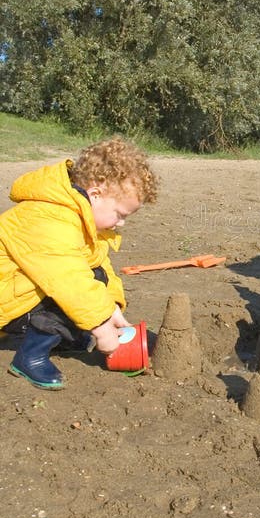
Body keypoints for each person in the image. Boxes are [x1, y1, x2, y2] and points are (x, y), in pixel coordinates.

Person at [0, 136, 158, 389]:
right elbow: (68, 280)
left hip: (17, 292)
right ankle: (30, 357)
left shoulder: (77, 217)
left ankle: (64, 340)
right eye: (120, 214)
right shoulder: (47, 217)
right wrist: (101, 328)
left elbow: (98, 266)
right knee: (72, 292)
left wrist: (113, 310)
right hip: (5, 297)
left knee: (96, 277)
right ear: (95, 194)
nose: (121, 223)